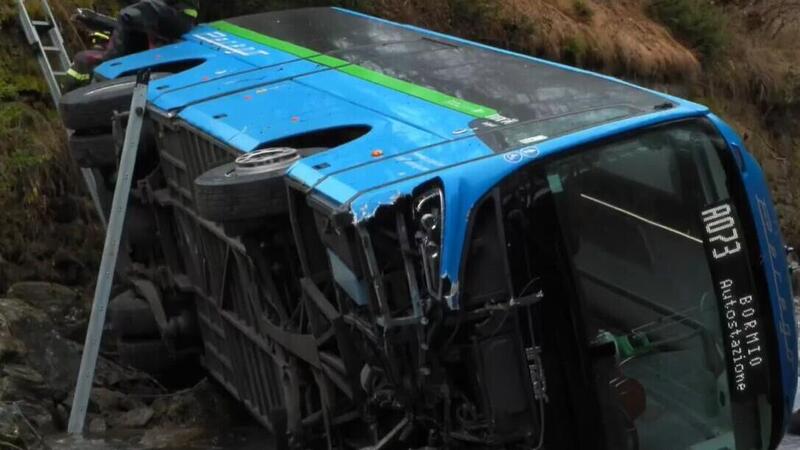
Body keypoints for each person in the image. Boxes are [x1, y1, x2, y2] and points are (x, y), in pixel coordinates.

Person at [63, 0, 199, 91]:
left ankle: (108, 65)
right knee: (131, 16)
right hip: (173, 18)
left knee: (130, 15)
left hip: (179, 17)